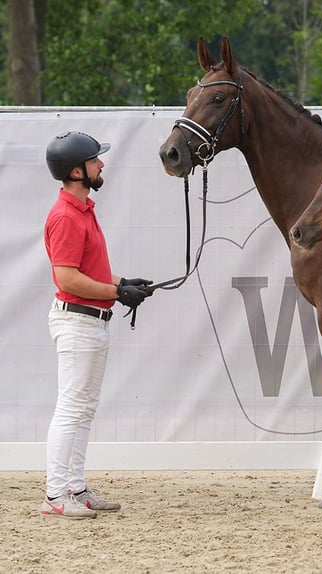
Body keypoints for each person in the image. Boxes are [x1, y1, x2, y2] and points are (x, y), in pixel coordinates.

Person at [41, 131, 152, 519]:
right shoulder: (66, 217)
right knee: (72, 408)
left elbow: (86, 271)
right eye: (94, 160)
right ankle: (56, 495)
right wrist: (115, 292)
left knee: (83, 409)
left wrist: (121, 285)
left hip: (90, 320)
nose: (101, 164)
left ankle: (75, 487)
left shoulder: (83, 210)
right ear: (77, 171)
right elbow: (67, 279)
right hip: (79, 322)